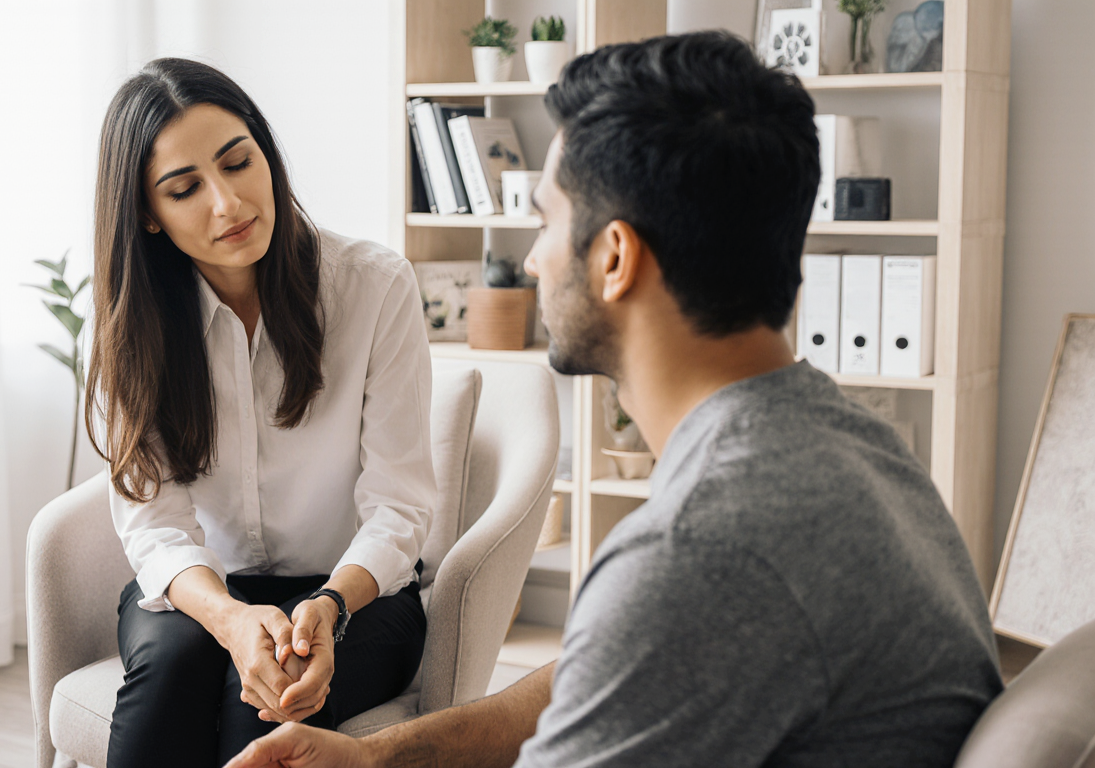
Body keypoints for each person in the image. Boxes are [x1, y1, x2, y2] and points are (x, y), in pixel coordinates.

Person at [224, 31, 1003, 768]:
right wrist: (376, 756)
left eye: (546, 224)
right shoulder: (845, 445)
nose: (530, 261)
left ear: (616, 257)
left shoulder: (700, 549)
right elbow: (593, 673)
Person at [86, 58, 435, 768]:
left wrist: (330, 607)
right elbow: (155, 525)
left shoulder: (374, 287)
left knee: (263, 714)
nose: (229, 203)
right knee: (171, 674)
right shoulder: (134, 328)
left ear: (266, 156)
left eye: (239, 163)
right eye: (185, 190)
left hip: (355, 593)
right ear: (149, 216)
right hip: (206, 590)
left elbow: (400, 505)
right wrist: (231, 619)